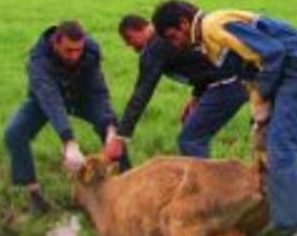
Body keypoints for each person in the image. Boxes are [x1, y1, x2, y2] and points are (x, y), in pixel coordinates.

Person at [151, 0, 297, 236]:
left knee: (280, 153)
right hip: (284, 77)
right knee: (265, 152)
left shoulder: (213, 26)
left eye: (173, 36)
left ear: (184, 23)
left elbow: (273, 54)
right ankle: (276, 221)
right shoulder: (209, 43)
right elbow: (249, 72)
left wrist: (266, 95)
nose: (175, 45)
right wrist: (258, 112)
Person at [4, 20, 129, 215]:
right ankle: (33, 194)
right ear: (55, 44)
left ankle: (126, 187)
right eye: (69, 51)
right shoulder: (38, 61)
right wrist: (68, 141)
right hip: (44, 99)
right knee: (15, 133)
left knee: (117, 130)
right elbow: (50, 99)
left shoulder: (90, 51)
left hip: (80, 97)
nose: (75, 55)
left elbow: (98, 91)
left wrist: (110, 128)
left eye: (78, 50)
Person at [103, 14, 247, 161]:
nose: (129, 46)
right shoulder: (162, 41)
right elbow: (200, 65)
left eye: (129, 39)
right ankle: (201, 178)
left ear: (141, 29)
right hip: (230, 82)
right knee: (191, 134)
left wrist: (121, 136)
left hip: (227, 86)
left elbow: (142, 93)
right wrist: (196, 97)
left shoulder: (155, 48)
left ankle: (203, 182)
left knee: (191, 139)